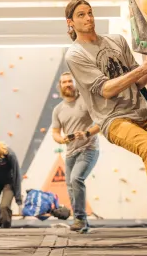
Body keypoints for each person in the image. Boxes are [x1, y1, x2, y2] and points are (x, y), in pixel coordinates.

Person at [63, 0, 147, 236]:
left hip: (144, 112)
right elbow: (106, 90)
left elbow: (138, 80)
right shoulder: (75, 54)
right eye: (81, 15)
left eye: (90, 13)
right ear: (70, 23)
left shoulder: (117, 40)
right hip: (113, 120)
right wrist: (142, 69)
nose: (88, 18)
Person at [51, 72, 99, 231]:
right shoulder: (58, 110)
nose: (67, 84)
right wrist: (62, 139)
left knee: (76, 178)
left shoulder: (86, 101)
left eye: (70, 81)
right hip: (70, 153)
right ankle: (81, 222)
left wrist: (86, 133)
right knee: (71, 185)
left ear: (75, 83)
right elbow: (55, 133)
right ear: (60, 86)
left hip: (89, 149)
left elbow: (100, 123)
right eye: (64, 82)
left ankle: (80, 219)